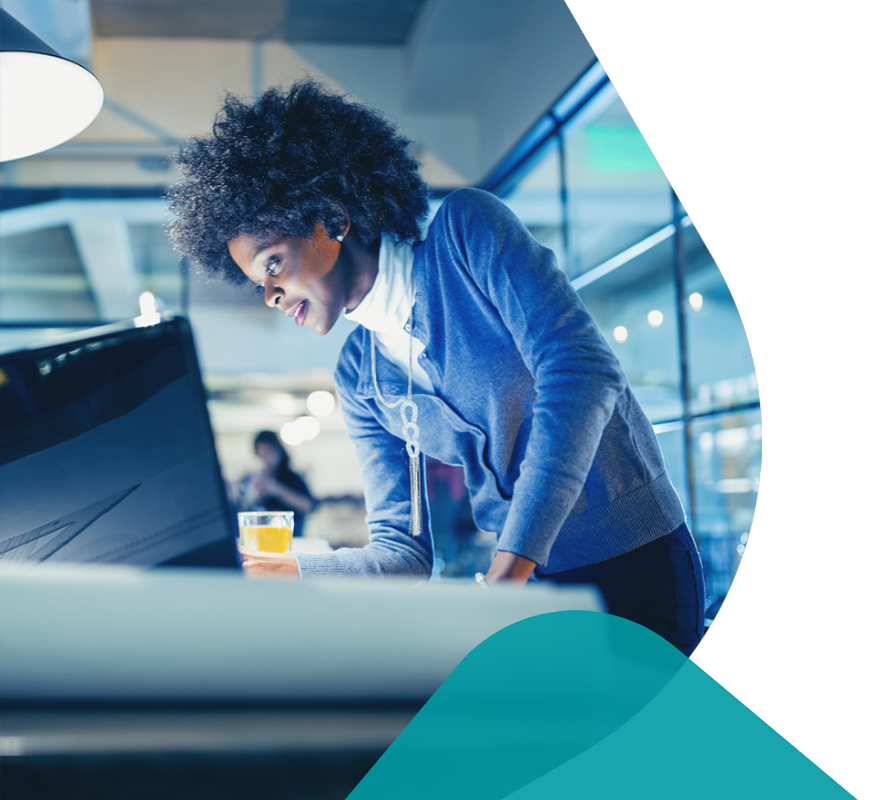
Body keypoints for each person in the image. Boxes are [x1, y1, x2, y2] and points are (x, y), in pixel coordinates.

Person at [169, 81, 705, 654]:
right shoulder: (359, 374)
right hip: (528, 592)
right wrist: (281, 571)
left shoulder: (466, 234)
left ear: (331, 216)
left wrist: (509, 571)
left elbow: (582, 373)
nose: (272, 295)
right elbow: (401, 552)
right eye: (260, 285)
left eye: (273, 263)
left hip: (636, 565)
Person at [237, 430, 315, 538]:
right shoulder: (250, 479)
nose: (266, 459)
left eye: (269, 452)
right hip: (259, 540)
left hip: (291, 540)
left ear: (279, 452)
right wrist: (252, 495)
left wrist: (276, 489)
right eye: (261, 454)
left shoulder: (292, 478)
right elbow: (240, 511)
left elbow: (308, 506)